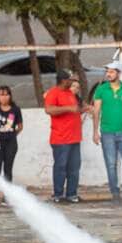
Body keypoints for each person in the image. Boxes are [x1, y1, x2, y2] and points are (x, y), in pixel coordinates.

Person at [92, 61, 122, 202]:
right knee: (111, 164)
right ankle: (115, 192)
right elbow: (96, 111)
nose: (108, 74)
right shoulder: (101, 89)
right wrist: (95, 132)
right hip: (107, 133)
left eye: (112, 71)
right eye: (107, 71)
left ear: (119, 73)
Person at [44, 69, 82, 203]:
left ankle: (72, 194)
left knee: (74, 168)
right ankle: (58, 195)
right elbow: (49, 110)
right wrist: (68, 108)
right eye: (70, 79)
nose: (72, 82)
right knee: (61, 167)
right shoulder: (53, 93)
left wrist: (84, 109)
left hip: (75, 137)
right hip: (61, 138)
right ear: (63, 80)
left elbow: (75, 110)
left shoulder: (70, 93)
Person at [0, 85, 23, 210]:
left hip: (11, 143)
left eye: (6, 94)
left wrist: (11, 135)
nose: (4, 97)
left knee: (8, 170)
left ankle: (7, 198)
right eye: (1, 94)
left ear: (10, 96)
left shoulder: (15, 110)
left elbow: (20, 126)